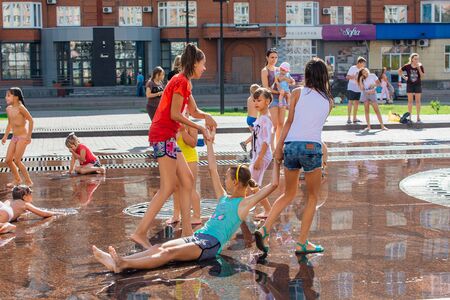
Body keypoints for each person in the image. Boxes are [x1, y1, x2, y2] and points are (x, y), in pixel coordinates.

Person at [92, 131, 280, 273]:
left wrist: (278, 160)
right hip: (200, 236)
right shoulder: (224, 197)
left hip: (210, 244)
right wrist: (209, 144)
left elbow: (272, 185)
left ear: (237, 183)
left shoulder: (243, 204)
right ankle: (121, 259)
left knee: (168, 254)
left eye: (228, 178)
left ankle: (123, 264)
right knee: (160, 247)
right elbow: (212, 170)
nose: (224, 180)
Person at [131, 43, 217, 249]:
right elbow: (175, 114)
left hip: (167, 137)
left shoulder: (185, 82)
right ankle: (139, 233)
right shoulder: (180, 82)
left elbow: (194, 111)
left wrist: (207, 117)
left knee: (187, 180)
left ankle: (187, 231)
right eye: (203, 64)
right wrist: (201, 128)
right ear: (195, 63)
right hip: (162, 136)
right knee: (168, 187)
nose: (204, 68)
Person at [254, 58, 332, 256]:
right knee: (313, 197)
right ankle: (302, 243)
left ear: (306, 75)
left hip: (291, 146)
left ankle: (264, 229)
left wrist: (278, 147)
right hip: (311, 147)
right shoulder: (328, 101)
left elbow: (289, 123)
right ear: (324, 76)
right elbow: (315, 129)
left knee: (288, 194)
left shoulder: (296, 93)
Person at [167, 111, 202, 225]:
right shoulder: (172, 124)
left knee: (190, 188)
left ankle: (197, 215)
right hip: (176, 159)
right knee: (176, 188)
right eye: (180, 112)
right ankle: (176, 215)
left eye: (186, 113)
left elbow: (193, 143)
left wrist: (183, 131)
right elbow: (171, 142)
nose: (183, 115)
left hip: (190, 158)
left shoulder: (191, 125)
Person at [1, 87, 34, 187]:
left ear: (16, 97)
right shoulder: (8, 109)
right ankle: (17, 179)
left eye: (8, 95)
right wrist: (5, 136)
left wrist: (29, 136)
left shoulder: (21, 108)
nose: (6, 97)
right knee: (8, 160)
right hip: (14, 137)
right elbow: (10, 124)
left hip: (23, 137)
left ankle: (28, 181)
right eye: (6, 95)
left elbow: (31, 120)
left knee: (17, 160)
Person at [249, 88, 273, 219]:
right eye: (254, 100)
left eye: (259, 100)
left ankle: (268, 209)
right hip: (258, 155)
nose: (256, 103)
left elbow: (266, 141)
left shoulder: (265, 119)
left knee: (253, 184)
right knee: (253, 184)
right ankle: (249, 206)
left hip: (261, 156)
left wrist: (259, 158)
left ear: (268, 101)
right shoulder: (261, 118)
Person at [261, 48, 284, 150]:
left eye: (275, 57)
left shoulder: (279, 69)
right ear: (267, 57)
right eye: (272, 57)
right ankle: (272, 148)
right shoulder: (265, 71)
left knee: (281, 124)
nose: (274, 59)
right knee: (274, 125)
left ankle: (279, 146)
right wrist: (278, 92)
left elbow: (284, 82)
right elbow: (266, 88)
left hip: (281, 98)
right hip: (272, 99)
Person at [398, 53, 425, 123]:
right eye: (415, 59)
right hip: (410, 85)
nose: (416, 60)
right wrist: (405, 77)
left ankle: (418, 117)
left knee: (418, 101)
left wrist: (419, 68)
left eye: (417, 59)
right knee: (410, 101)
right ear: (412, 59)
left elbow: (422, 76)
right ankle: (409, 117)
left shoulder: (420, 66)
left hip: (418, 85)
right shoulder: (407, 66)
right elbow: (399, 71)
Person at [239, 84, 260, 153]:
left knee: (253, 134)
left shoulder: (249, 98)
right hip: (254, 119)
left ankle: (252, 149)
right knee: (256, 134)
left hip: (248, 118)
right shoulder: (255, 99)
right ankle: (245, 143)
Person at [345, 57, 366, 124]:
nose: (364, 65)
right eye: (363, 63)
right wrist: (354, 77)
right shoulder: (353, 68)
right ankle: (349, 118)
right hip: (351, 87)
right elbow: (347, 77)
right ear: (359, 63)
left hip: (358, 88)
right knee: (350, 102)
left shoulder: (362, 70)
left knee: (356, 103)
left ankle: (354, 118)